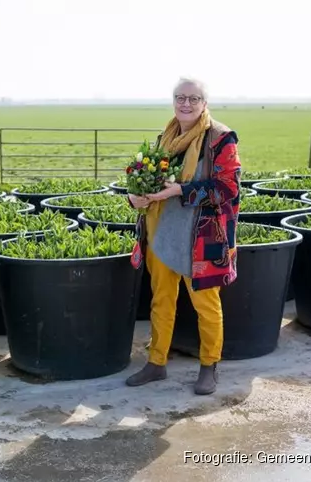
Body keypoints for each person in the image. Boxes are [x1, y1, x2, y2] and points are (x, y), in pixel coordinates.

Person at [125, 77, 241, 395]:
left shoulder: (220, 137)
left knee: (206, 304)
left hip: (200, 239)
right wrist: (136, 197)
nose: (185, 104)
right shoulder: (166, 137)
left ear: (205, 103)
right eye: (180, 97)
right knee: (161, 300)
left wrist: (182, 190)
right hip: (161, 231)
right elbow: (150, 183)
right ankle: (156, 362)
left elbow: (228, 188)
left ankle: (209, 366)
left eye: (193, 98)